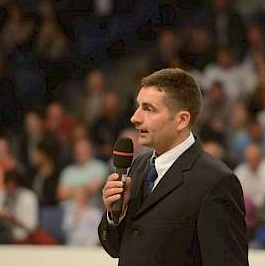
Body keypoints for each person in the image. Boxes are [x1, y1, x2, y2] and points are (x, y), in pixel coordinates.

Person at [98, 68, 248, 266]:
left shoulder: (216, 181)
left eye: (148, 108)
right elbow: (116, 249)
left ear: (182, 120)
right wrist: (115, 214)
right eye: (137, 107)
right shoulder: (138, 166)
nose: (135, 118)